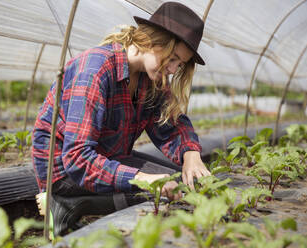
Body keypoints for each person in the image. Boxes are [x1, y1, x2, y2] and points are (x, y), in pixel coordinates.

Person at [32, 1, 211, 236]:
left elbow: (172, 126)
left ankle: (85, 203)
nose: (173, 69)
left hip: (107, 157)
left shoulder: (151, 79)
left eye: (180, 64)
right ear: (151, 40)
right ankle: (67, 204)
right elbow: (77, 158)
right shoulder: (96, 69)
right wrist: (144, 179)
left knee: (181, 184)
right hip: (63, 171)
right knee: (160, 190)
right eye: (173, 58)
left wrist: (191, 155)